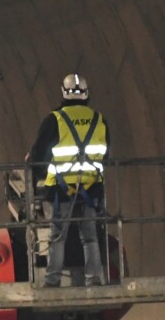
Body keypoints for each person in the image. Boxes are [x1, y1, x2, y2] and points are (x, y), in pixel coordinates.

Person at [28, 73, 109, 287]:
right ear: (86, 94)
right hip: (91, 189)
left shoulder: (55, 119)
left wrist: (40, 173)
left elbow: (38, 155)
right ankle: (94, 279)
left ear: (63, 93)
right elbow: (105, 156)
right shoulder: (99, 119)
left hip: (61, 190)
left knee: (57, 236)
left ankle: (53, 280)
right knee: (90, 237)